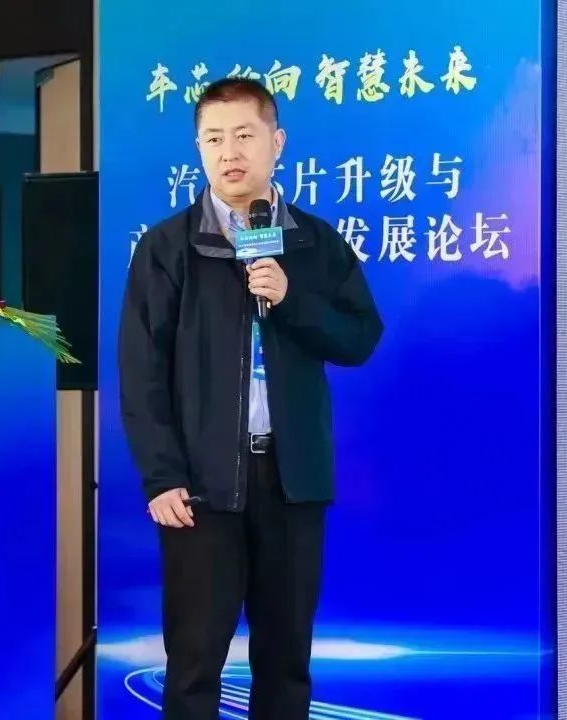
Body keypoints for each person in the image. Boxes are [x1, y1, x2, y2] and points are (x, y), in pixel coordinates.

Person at [118, 77, 383, 720]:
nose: (229, 152)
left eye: (244, 135)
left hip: (292, 481)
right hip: (200, 488)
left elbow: (359, 338)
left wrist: (292, 300)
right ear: (198, 149)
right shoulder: (168, 247)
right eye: (213, 139)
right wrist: (162, 476)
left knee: (286, 660)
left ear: (277, 142)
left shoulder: (315, 243)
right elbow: (141, 370)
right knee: (194, 663)